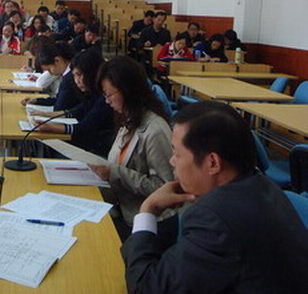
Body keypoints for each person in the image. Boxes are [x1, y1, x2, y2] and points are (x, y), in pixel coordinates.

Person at [121, 101, 308, 294]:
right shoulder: (261, 183)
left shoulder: (215, 220)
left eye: (177, 153)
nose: (172, 161)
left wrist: (148, 210)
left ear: (213, 163)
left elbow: (146, 288)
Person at [89, 56, 174, 242]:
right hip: (124, 211)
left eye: (110, 95)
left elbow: (165, 188)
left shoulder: (155, 130)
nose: (107, 101)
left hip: (150, 225)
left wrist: (114, 172)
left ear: (128, 91)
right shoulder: (128, 120)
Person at [33, 50, 115, 156]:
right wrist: (46, 115)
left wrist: (51, 127)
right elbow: (78, 110)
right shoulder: (92, 94)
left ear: (92, 73)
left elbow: (85, 128)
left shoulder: (105, 98)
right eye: (75, 76)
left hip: (98, 150)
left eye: (79, 75)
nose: (77, 81)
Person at [22, 42, 80, 111]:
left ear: (57, 61)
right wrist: (36, 100)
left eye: (49, 69)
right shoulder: (68, 74)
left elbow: (59, 107)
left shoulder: (70, 78)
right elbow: (58, 100)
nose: (50, 73)